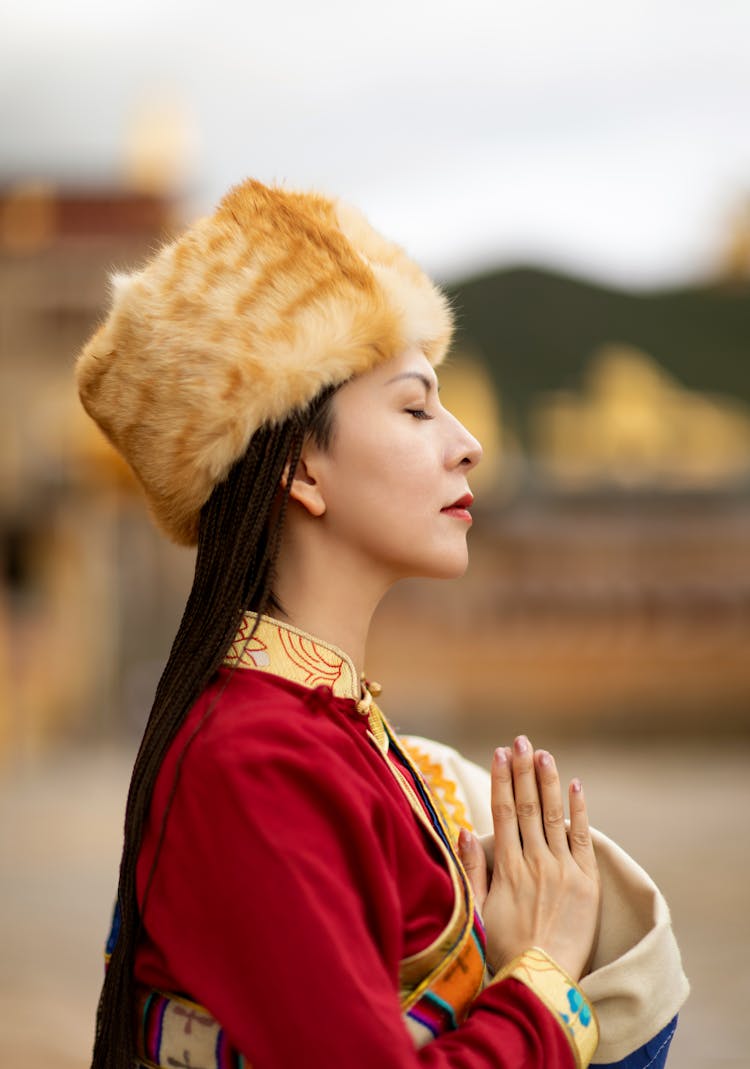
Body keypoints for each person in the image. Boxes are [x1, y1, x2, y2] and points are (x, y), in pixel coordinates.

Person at [76, 178, 688, 1068]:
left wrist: (482, 959)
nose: (466, 439)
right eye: (415, 406)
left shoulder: (327, 732)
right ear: (301, 470)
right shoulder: (253, 762)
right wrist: (545, 971)